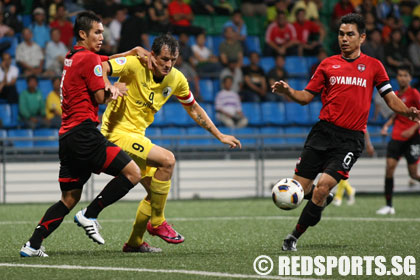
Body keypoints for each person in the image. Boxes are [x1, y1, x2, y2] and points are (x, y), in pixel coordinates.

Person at [271, 13, 420, 251]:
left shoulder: (374, 66)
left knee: (322, 187)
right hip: (322, 133)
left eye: (350, 34)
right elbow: (306, 97)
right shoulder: (327, 64)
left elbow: (391, 99)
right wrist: (289, 91)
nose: (344, 39)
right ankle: (320, 202)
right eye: (341, 34)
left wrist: (408, 112)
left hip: (349, 140)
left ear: (361, 37)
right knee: (302, 191)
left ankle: (293, 237)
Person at [100, 34, 241, 253]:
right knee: (168, 160)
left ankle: (135, 243)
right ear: (152, 55)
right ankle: (157, 223)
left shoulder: (176, 78)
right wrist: (111, 83)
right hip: (115, 132)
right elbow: (100, 66)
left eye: (173, 60)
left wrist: (219, 135)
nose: (168, 65)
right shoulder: (135, 64)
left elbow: (193, 108)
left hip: (137, 136)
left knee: (154, 194)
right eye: (164, 59)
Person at [19, 11, 142, 258]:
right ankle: (90, 214)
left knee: (68, 198)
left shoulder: (73, 56)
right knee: (133, 173)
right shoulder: (89, 59)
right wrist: (114, 89)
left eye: (103, 33)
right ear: (83, 33)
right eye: (96, 32)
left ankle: (32, 245)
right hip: (84, 134)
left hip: (67, 137)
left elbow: (100, 60)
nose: (101, 36)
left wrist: (126, 55)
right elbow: (100, 96)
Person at [376, 65, 420, 215]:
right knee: (389, 169)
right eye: (400, 75)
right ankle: (389, 206)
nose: (402, 77)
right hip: (396, 137)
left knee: (414, 174)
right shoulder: (394, 95)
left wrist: (412, 129)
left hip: (413, 139)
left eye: (405, 75)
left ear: (410, 78)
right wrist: (387, 126)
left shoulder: (414, 94)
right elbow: (396, 114)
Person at [332, 131, 375, 206]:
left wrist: (368, 144)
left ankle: (338, 197)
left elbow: (365, 129)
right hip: (340, 143)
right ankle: (349, 191)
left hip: (350, 144)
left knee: (340, 168)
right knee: (339, 169)